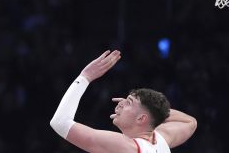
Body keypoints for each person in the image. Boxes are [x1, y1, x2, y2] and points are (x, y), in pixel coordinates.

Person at [50, 50, 197, 153]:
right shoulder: (160, 139)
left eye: (129, 102)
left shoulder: (127, 147)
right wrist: (154, 111)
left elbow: (60, 123)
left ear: (141, 118)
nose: (120, 103)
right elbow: (190, 122)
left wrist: (85, 77)